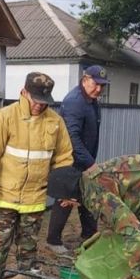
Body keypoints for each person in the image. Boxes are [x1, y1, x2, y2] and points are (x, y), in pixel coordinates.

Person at [0, 72, 74, 279]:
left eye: (43, 101)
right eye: (35, 99)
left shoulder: (56, 123)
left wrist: (66, 191)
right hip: (4, 198)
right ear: (24, 92)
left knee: (28, 253)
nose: (39, 105)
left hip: (34, 201)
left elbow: (64, 158)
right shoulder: (4, 117)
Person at [45, 65, 108, 255]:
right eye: (96, 84)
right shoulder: (75, 102)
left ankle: (89, 236)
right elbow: (72, 138)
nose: (99, 89)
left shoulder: (91, 101)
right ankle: (53, 240)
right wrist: (90, 163)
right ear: (85, 79)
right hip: (70, 159)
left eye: (102, 86)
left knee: (87, 196)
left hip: (84, 158)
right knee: (66, 198)